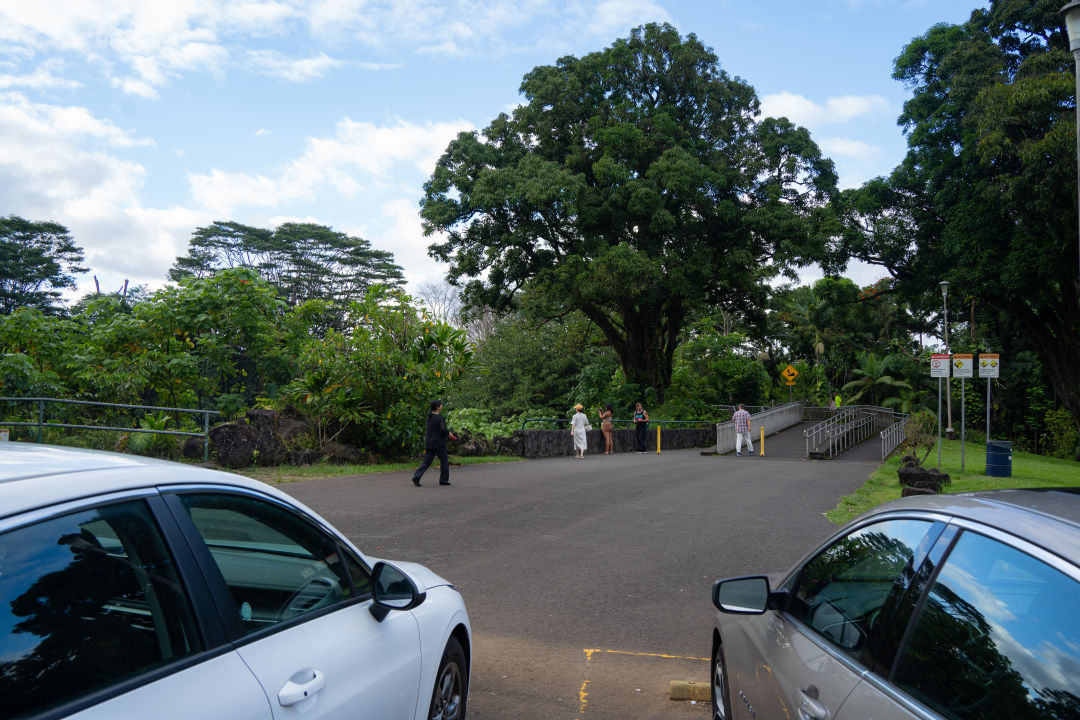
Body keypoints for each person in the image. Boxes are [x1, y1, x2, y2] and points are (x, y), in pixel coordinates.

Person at [411, 399, 457, 487]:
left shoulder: (429, 417)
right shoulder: (440, 417)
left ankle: (417, 476)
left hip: (429, 442)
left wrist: (446, 432)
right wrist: (448, 433)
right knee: (444, 461)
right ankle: (443, 480)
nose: (441, 406)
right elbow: (443, 430)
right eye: (441, 405)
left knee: (427, 462)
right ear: (438, 407)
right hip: (439, 443)